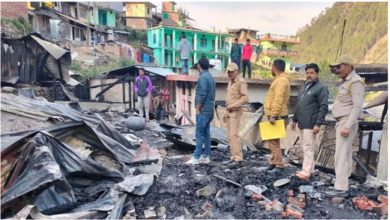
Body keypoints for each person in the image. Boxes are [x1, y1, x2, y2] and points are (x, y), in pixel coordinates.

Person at [325, 55, 365, 198]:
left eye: (339, 67)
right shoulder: (347, 82)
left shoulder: (356, 82)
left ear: (348, 66)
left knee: (340, 155)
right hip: (342, 121)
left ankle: (340, 188)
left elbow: (357, 106)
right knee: (345, 154)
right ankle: (343, 182)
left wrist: (348, 126)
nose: (337, 70)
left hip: (346, 121)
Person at [291, 63, 329, 180]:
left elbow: (323, 107)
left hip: (311, 124)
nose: (309, 75)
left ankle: (305, 173)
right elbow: (299, 105)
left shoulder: (321, 88)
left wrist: (318, 124)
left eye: (311, 73)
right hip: (302, 122)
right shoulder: (304, 86)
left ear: (317, 74)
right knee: (305, 147)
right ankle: (311, 170)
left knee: (308, 148)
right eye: (307, 73)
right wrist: (294, 119)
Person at [261, 59, 291, 174]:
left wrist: (273, 115)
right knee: (272, 141)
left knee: (274, 142)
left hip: (277, 115)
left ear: (274, 67)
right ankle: (272, 163)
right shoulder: (280, 80)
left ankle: (279, 165)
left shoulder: (281, 81)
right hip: (277, 115)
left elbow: (278, 99)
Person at [186, 57, 216, 165]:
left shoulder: (203, 78)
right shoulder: (211, 77)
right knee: (207, 134)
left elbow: (202, 94)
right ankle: (206, 156)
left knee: (199, 134)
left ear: (199, 66)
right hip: (210, 111)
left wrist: (198, 108)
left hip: (203, 111)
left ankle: (196, 157)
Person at [222, 63, 249, 168]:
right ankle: (233, 156)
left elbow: (245, 98)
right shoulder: (230, 82)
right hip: (229, 111)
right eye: (228, 72)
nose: (230, 74)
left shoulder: (241, 82)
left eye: (232, 72)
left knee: (234, 135)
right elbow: (229, 98)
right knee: (229, 136)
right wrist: (225, 112)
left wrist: (233, 106)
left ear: (237, 71)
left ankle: (238, 158)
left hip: (235, 111)